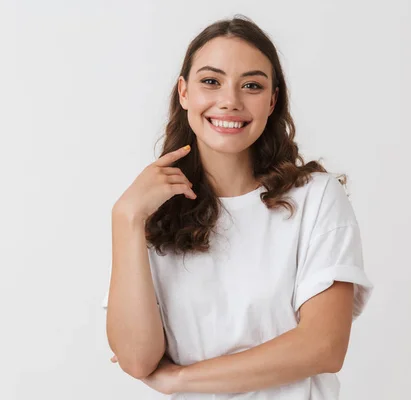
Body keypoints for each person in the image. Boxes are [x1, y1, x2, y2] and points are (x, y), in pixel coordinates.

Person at [102, 14, 373, 399]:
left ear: (272, 100)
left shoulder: (316, 198)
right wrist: (125, 218)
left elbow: (324, 346)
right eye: (211, 81)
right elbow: (136, 358)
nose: (230, 101)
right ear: (184, 93)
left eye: (251, 85)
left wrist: (180, 379)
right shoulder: (148, 212)